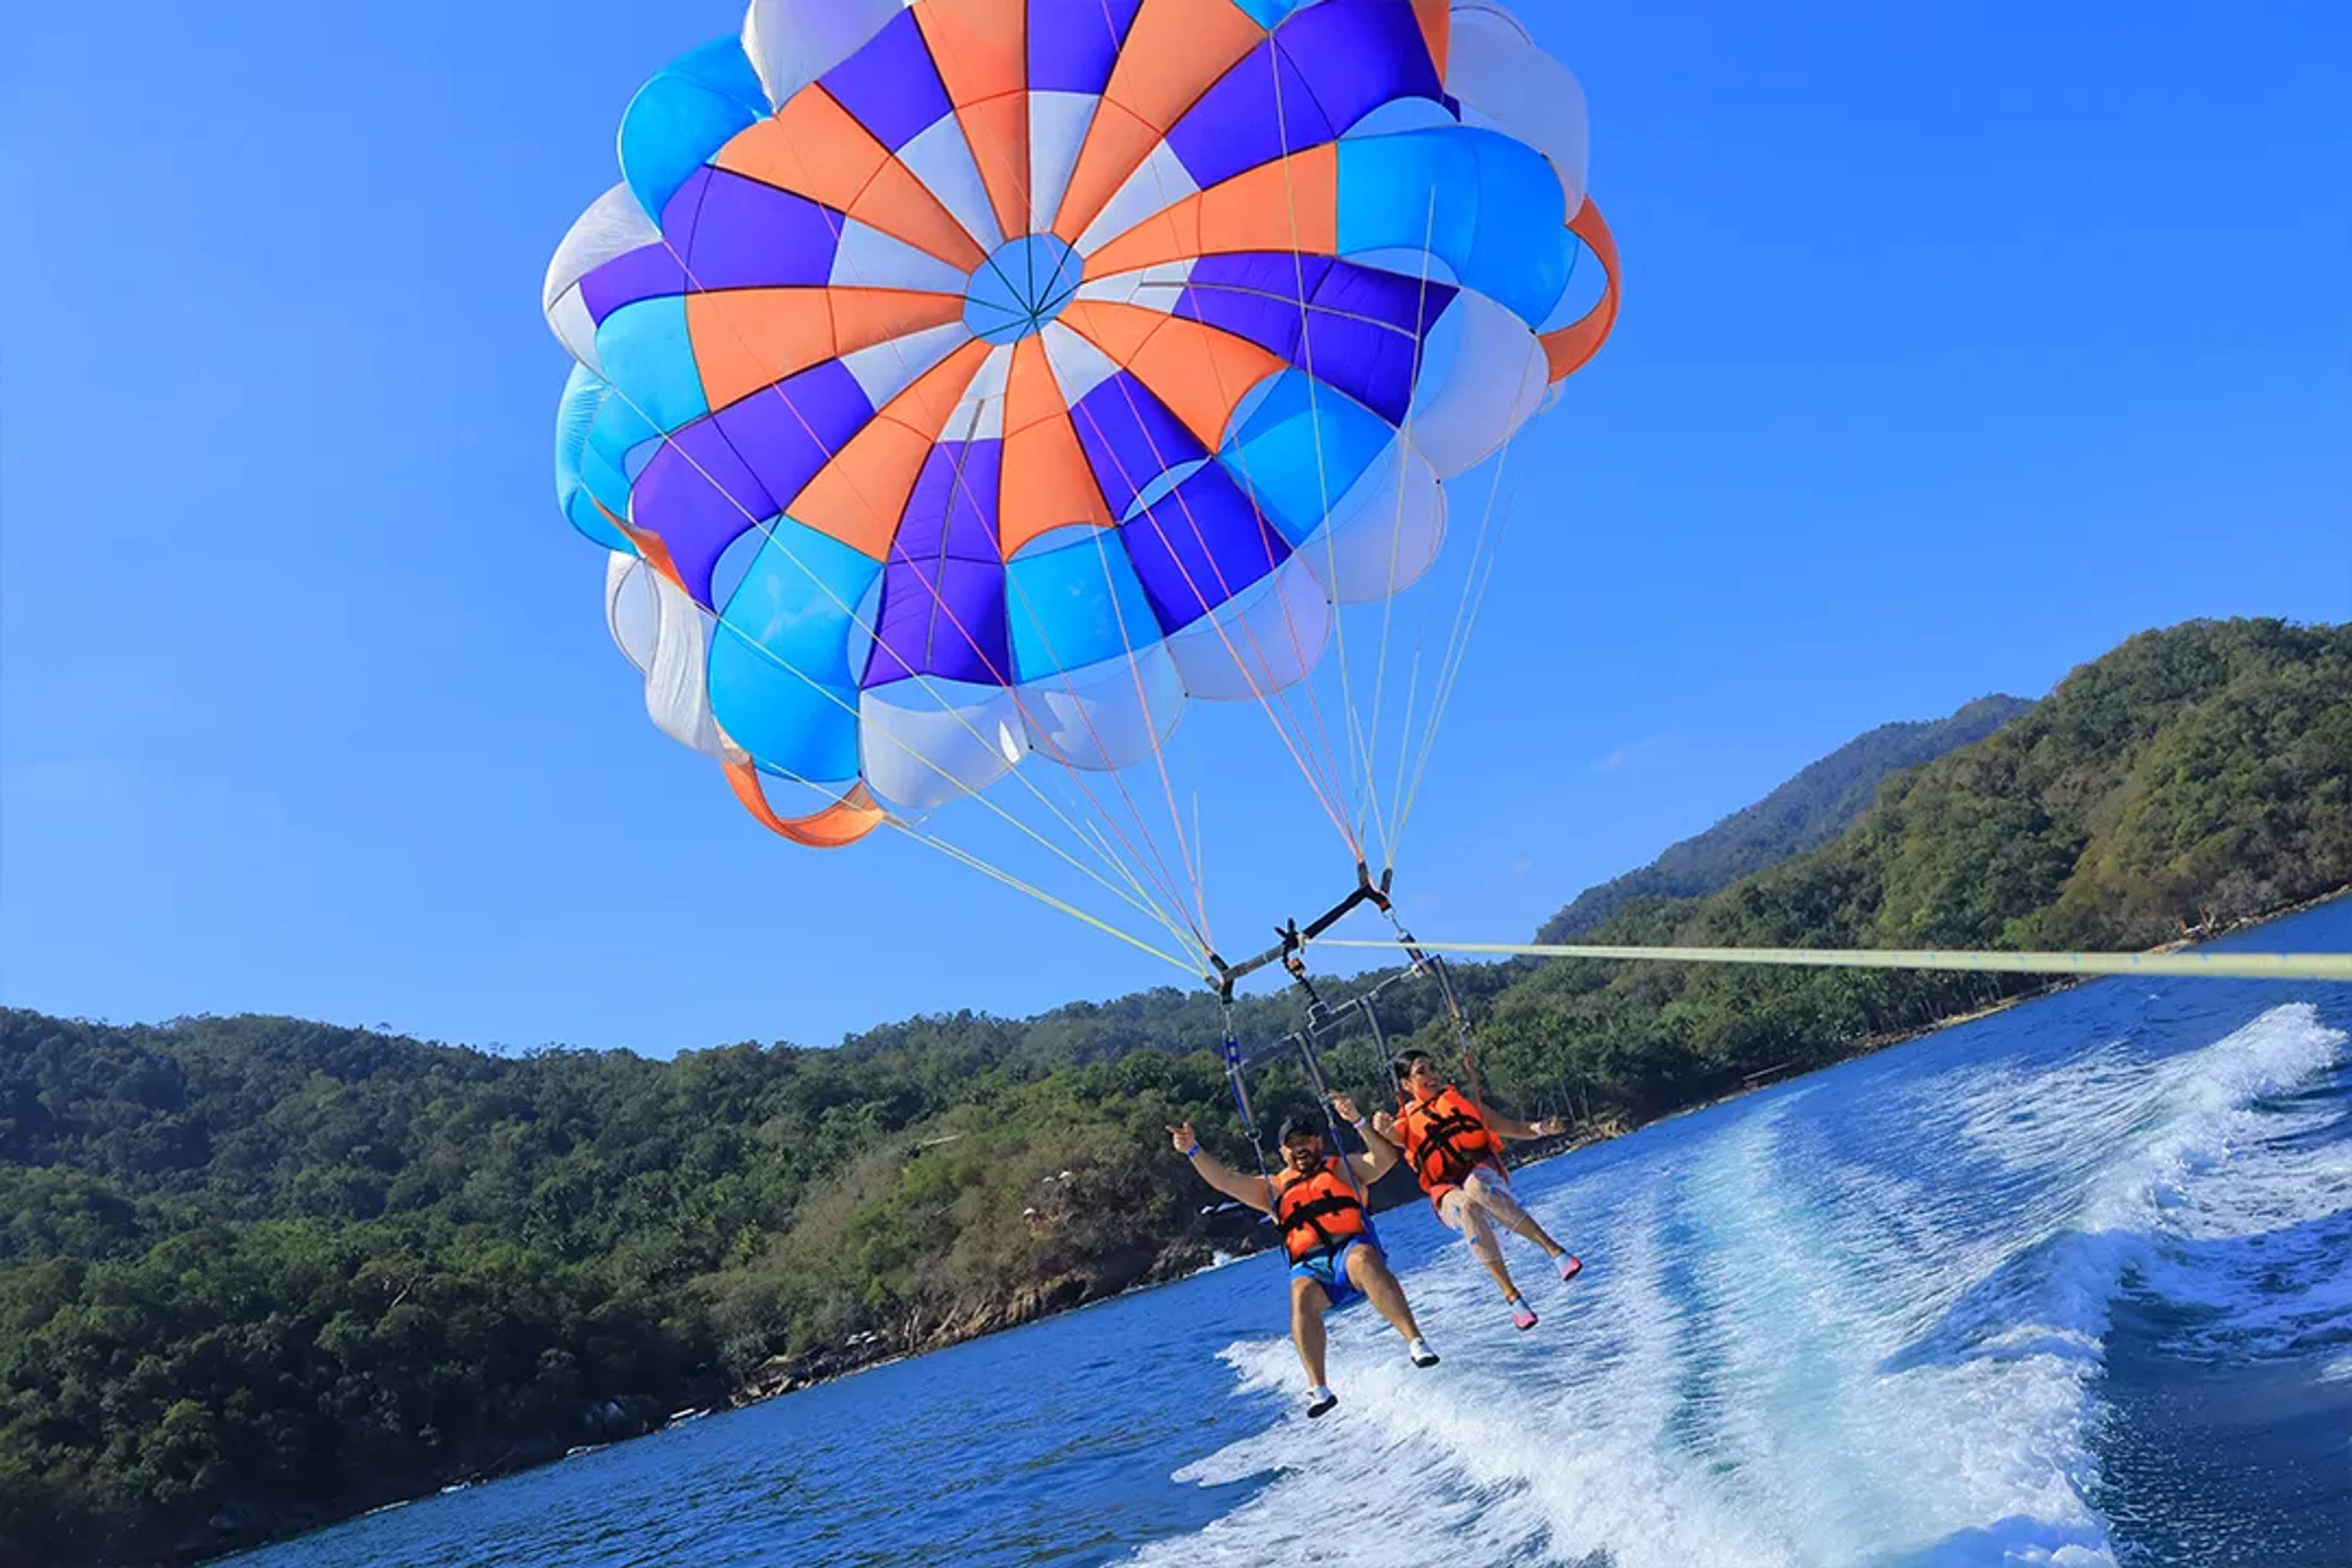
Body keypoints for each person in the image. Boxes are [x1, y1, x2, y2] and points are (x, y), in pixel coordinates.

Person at [1169, 1096, 1438, 1417]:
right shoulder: (1272, 1189)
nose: (1300, 1148)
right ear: (1282, 1152)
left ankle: (1415, 1342)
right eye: (1292, 1144)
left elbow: (1384, 1159)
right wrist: (1193, 1151)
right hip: (1312, 1268)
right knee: (1299, 1294)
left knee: (1364, 1261)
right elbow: (1225, 1180)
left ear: (1317, 1142)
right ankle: (1319, 1388)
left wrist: (1358, 1121)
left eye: (1305, 1141)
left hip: (1351, 1251)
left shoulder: (1344, 1169)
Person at [1375, 1049, 1582, 1331]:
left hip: (1482, 1174)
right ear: (1406, 1085)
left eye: (1432, 1068)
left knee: (1475, 1187)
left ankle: (1556, 1252)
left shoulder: (1461, 1103)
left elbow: (1510, 1127)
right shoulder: (1405, 1125)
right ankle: (1513, 1298)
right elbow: (1391, 1136)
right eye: (1421, 1072)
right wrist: (1375, 1126)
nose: (1431, 1075)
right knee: (1466, 1205)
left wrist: (1542, 1128)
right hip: (1446, 1192)